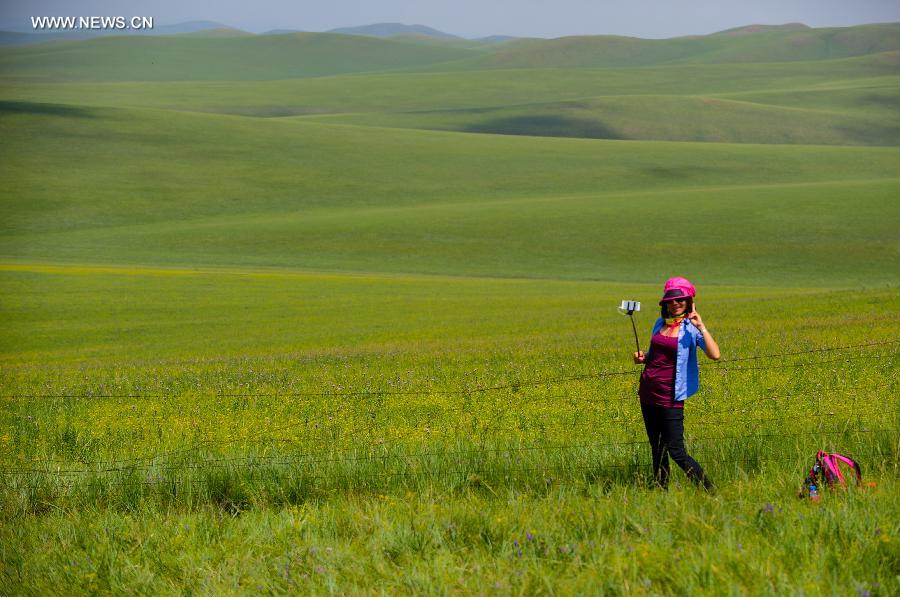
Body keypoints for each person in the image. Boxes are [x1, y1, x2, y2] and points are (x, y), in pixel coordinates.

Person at [633, 277, 720, 491]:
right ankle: (661, 490)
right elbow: (655, 355)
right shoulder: (659, 324)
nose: (675, 303)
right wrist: (643, 357)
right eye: (671, 301)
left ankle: (709, 490)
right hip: (648, 392)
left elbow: (715, 354)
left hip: (671, 395)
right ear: (665, 304)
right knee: (657, 447)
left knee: (676, 450)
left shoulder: (691, 328)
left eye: (680, 299)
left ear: (689, 301)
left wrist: (702, 326)